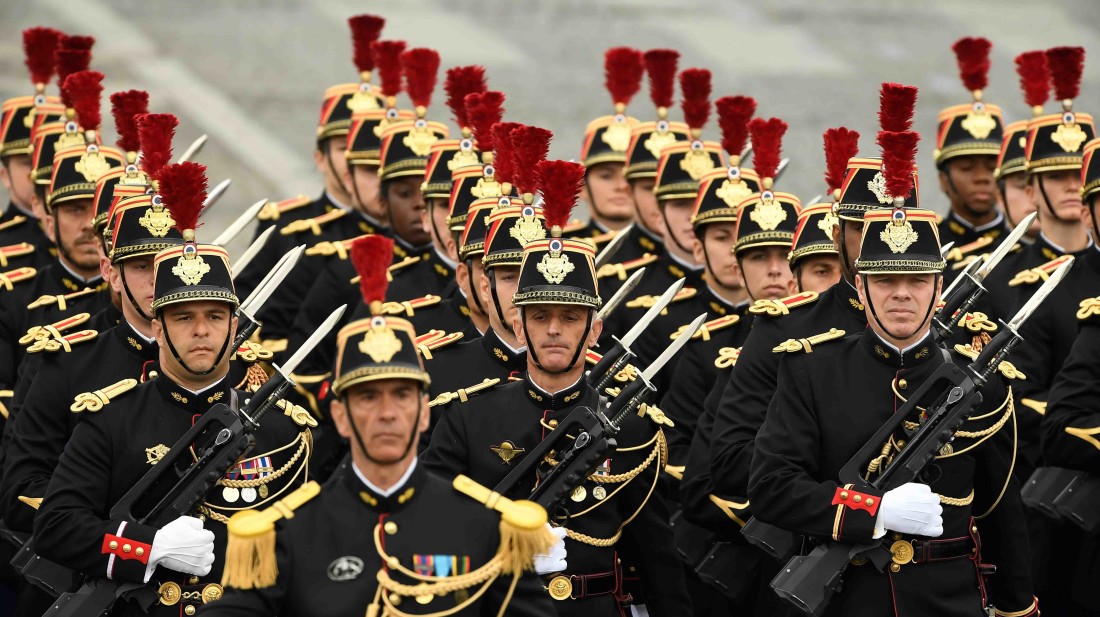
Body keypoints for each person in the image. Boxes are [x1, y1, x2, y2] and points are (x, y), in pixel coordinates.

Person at [207, 234, 554, 617]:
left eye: (402, 395)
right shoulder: (288, 533)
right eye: (368, 397)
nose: (386, 413)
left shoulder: (486, 527)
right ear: (340, 416)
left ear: (425, 410)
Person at [33, 162, 314, 616]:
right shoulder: (112, 418)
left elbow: (309, 543)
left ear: (235, 326)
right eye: (183, 318)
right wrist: (147, 547)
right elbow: (57, 525)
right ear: (158, 328)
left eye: (215, 317)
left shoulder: (284, 426)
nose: (200, 331)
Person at [424, 160, 690, 616]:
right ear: (518, 322)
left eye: (570, 318)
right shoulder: (468, 417)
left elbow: (655, 553)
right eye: (540, 317)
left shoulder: (631, 426)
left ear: (594, 330)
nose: (553, 331)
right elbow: (433, 528)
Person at [749, 196, 1037, 617]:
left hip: (949, 601)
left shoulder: (983, 384)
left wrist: (1017, 609)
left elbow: (1000, 512)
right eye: (885, 280)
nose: (901, 294)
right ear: (861, 288)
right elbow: (772, 488)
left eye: (917, 281)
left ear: (939, 289)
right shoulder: (812, 369)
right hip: (850, 601)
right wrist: (874, 511)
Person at [933, 38, 1008, 251]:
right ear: (943, 180)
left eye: (992, 167)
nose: (982, 178)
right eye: (966, 168)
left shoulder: (1024, 254)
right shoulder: (925, 250)